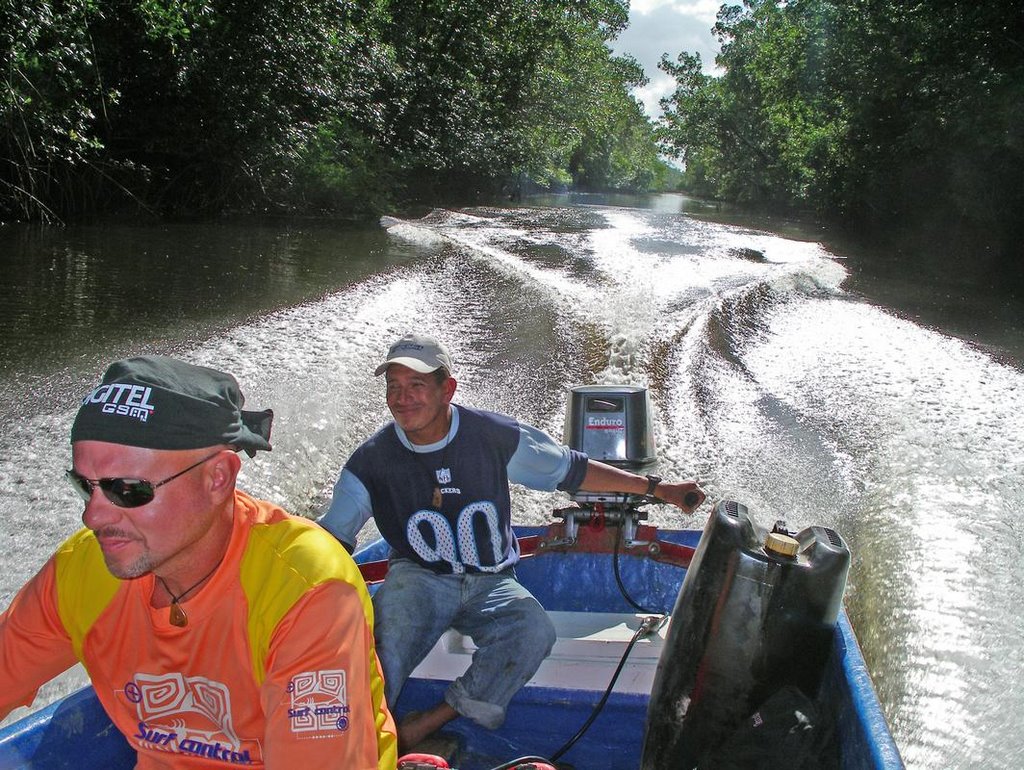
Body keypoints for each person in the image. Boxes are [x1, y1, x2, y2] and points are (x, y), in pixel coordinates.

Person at [0, 356, 397, 769]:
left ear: (218, 478)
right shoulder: (81, 569)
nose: (93, 517)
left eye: (128, 489)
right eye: (86, 486)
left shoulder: (305, 588)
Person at [318, 332, 705, 751]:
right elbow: (329, 539)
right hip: (419, 577)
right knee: (381, 644)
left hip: (491, 580)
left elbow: (571, 471)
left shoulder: (492, 436)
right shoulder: (372, 460)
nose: (403, 398)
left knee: (532, 631)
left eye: (416, 386)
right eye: (394, 387)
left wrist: (657, 489)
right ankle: (364, 740)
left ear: (448, 389)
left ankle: (425, 723)